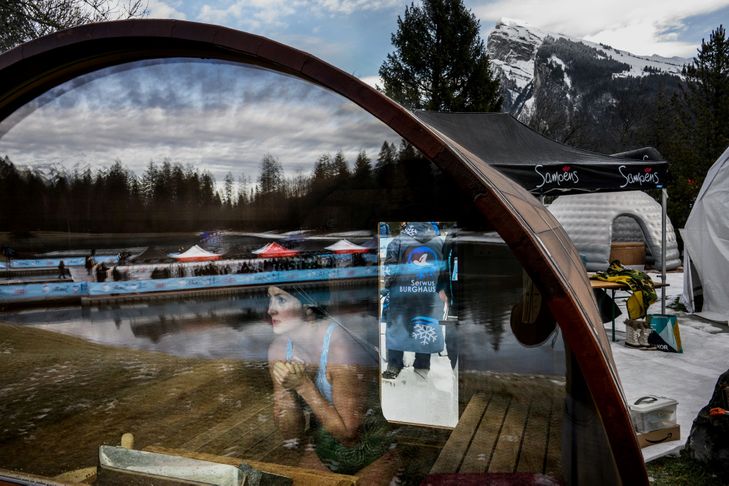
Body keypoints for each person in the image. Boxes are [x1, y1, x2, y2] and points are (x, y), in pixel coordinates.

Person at [266, 285, 397, 482]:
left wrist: (303, 386)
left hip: (374, 453)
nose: (270, 309)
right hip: (324, 452)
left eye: (281, 299)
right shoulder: (279, 349)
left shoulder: (342, 347)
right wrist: (286, 391)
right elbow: (291, 436)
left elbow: (349, 436)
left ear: (308, 305)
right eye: (270, 299)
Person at [382, 222, 445, 380]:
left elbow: (390, 270)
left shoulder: (398, 241)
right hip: (429, 295)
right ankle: (422, 366)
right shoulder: (439, 242)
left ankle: (394, 365)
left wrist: (388, 287)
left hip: (402, 296)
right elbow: (444, 270)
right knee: (425, 326)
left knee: (397, 328)